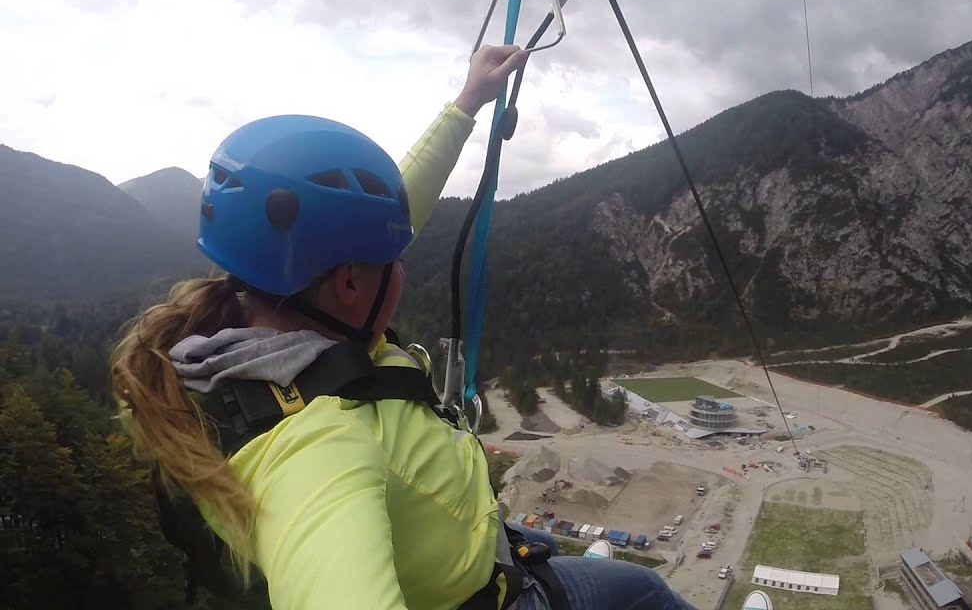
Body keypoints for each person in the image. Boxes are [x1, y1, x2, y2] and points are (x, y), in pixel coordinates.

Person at [110, 45, 695, 610]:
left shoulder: (256, 319)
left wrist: (466, 104)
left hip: (474, 550)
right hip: (490, 594)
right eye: (395, 258)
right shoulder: (314, 454)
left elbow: (384, 212)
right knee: (643, 593)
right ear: (347, 283)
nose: (402, 265)